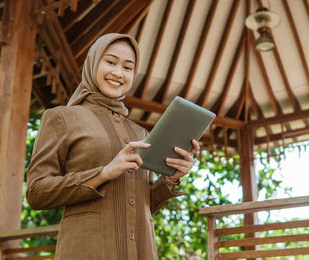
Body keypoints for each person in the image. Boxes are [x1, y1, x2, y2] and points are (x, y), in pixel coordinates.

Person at [26, 33, 200, 260]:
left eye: (128, 67)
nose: (118, 73)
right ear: (93, 63)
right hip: (87, 251)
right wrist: (104, 173)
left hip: (141, 251)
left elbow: (141, 205)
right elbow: (36, 193)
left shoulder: (141, 133)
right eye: (110, 62)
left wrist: (170, 179)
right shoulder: (62, 118)